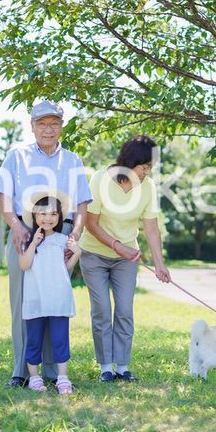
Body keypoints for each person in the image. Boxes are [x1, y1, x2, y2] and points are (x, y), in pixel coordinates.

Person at [0, 100, 92, 388]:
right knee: (25, 302)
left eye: (54, 123)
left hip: (61, 239)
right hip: (25, 234)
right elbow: (4, 196)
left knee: (55, 300)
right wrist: (17, 226)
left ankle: (52, 371)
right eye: (42, 124)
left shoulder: (73, 160)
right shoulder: (16, 156)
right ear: (32, 126)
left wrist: (75, 236)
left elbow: (82, 205)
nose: (48, 129)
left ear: (62, 126)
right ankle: (21, 370)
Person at [78, 135, 172, 382]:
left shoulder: (148, 186)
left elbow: (151, 228)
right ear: (131, 161)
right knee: (102, 310)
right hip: (94, 254)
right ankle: (105, 367)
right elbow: (90, 222)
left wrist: (160, 265)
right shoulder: (100, 179)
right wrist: (115, 245)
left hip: (126, 259)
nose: (147, 172)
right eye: (144, 167)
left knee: (124, 310)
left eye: (150, 168)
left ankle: (122, 366)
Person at [19, 193, 81, 395]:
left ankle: (62, 377)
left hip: (58, 296)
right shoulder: (28, 239)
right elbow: (24, 265)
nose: (48, 218)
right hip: (35, 296)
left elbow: (65, 268)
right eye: (42, 214)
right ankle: (34, 377)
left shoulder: (63, 240)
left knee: (60, 337)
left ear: (60, 217)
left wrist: (76, 254)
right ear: (35, 216)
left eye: (53, 214)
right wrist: (34, 244)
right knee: (34, 338)